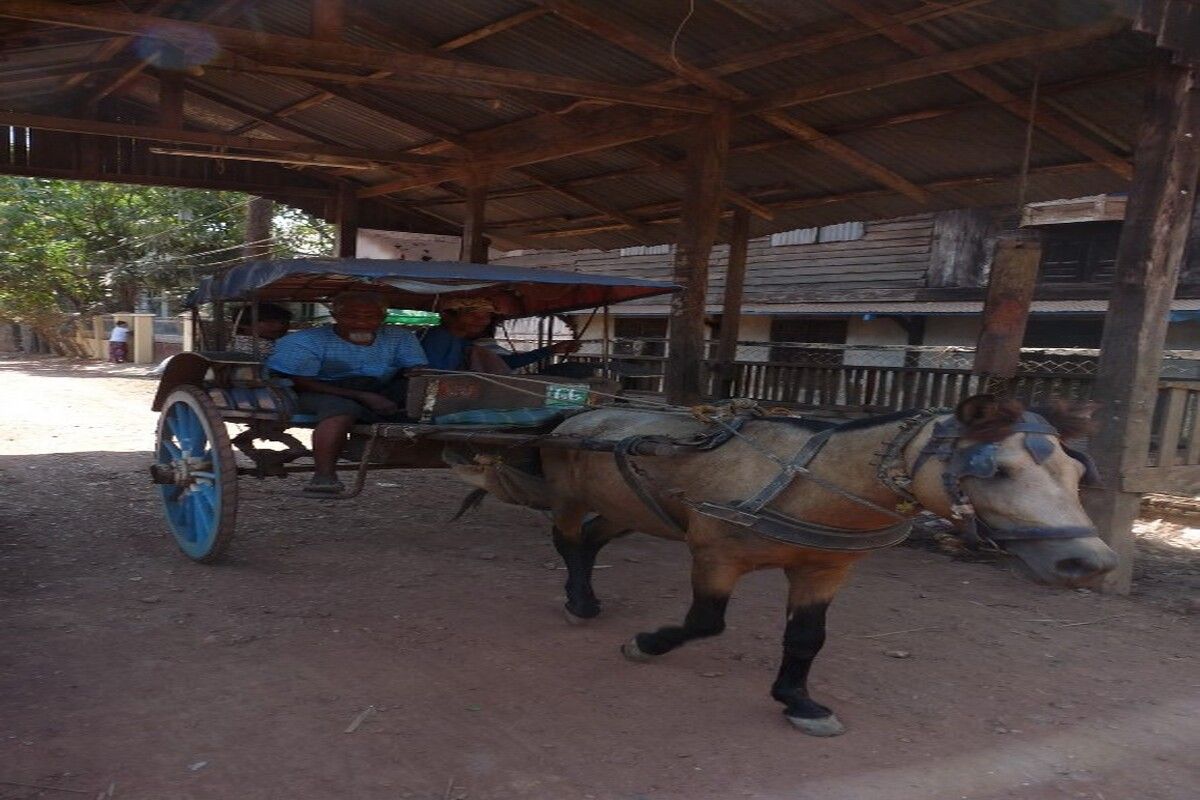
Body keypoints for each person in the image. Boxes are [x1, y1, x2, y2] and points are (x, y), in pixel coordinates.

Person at [266, 291, 427, 494]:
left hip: (377, 386)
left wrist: (416, 377)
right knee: (340, 410)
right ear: (335, 316)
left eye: (370, 317)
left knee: (426, 397)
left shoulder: (400, 337)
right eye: (351, 316)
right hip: (316, 389)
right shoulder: (306, 341)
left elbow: (416, 370)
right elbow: (300, 382)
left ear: (383, 317)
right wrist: (361, 396)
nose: (360, 323)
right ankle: (324, 476)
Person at [420, 297, 580, 373]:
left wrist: (551, 350)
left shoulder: (465, 343)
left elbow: (504, 364)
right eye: (473, 315)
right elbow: (433, 374)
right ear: (449, 316)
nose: (482, 321)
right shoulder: (436, 338)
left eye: (486, 316)